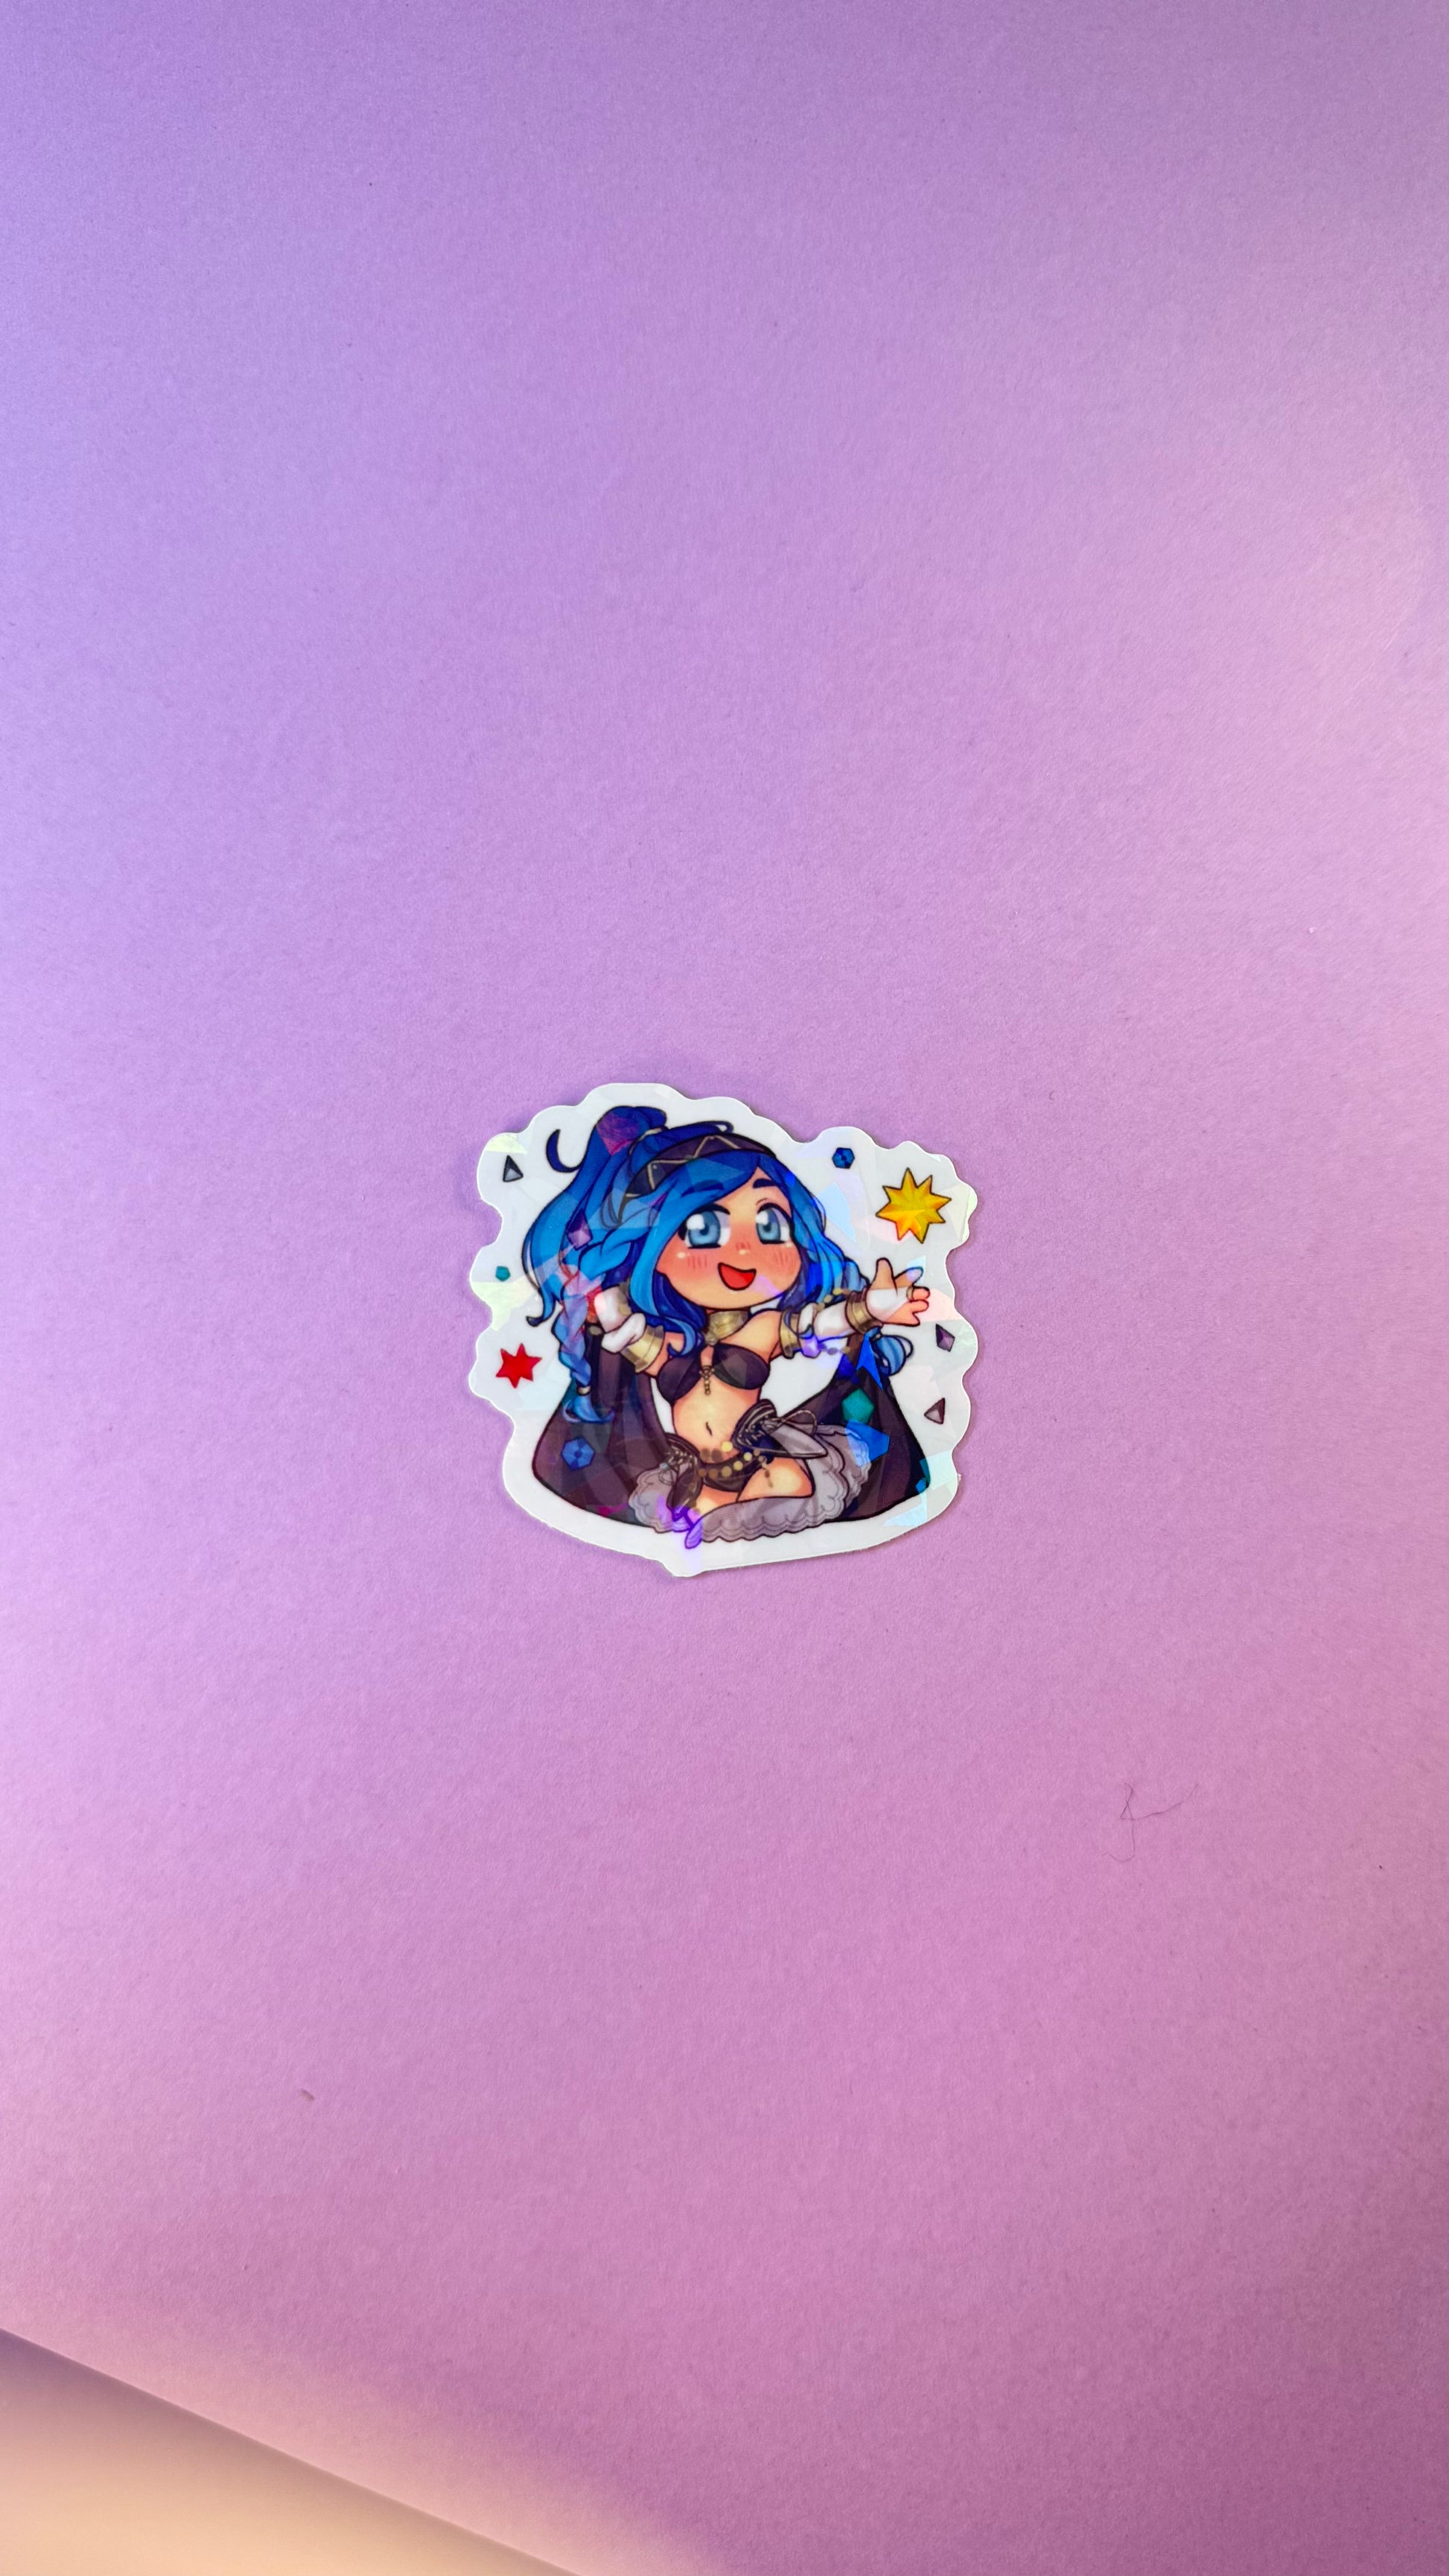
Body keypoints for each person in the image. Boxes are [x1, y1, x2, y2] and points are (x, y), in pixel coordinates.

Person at [523, 1106, 929, 1549]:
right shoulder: (669, 1342)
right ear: (654, 1245)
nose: (743, 1249)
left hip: (767, 1468)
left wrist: (869, 1309)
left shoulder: (765, 1329)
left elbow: (821, 1326)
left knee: (777, 1497)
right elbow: (627, 1336)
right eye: (704, 1229)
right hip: (696, 1479)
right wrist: (601, 1298)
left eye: (770, 1225)